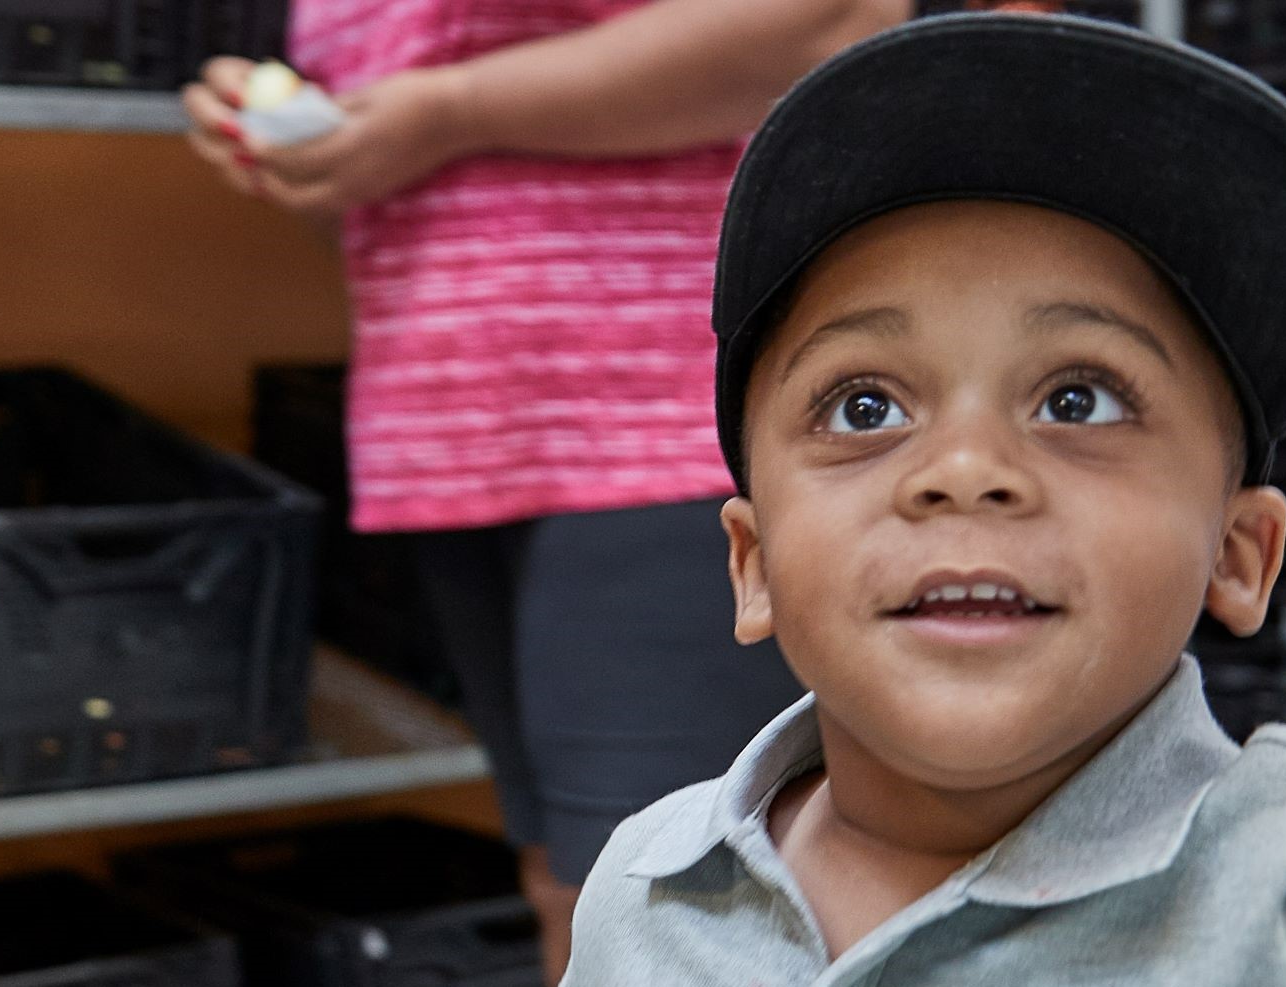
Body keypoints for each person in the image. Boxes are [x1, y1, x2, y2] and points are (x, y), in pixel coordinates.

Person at [565, 14, 1286, 985]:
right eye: (865, 406)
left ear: (1240, 553)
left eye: (1079, 399)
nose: (965, 468)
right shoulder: (645, 886)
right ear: (754, 563)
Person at [180, 1, 907, 979]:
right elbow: (438, 198)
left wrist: (444, 110)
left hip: (659, 419)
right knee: (580, 893)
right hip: (470, 448)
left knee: (692, 914)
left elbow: (835, 15)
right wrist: (321, 155)